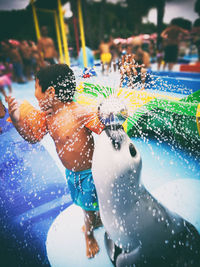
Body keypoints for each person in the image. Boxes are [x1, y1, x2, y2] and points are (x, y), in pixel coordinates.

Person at [7, 64, 105, 258]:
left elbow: (105, 127)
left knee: (87, 205)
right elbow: (32, 137)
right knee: (87, 202)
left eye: (36, 87)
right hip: (72, 172)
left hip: (89, 172)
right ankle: (97, 219)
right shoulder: (49, 117)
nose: (34, 94)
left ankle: (89, 235)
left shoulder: (79, 112)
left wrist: (112, 118)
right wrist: (17, 120)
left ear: (50, 92)